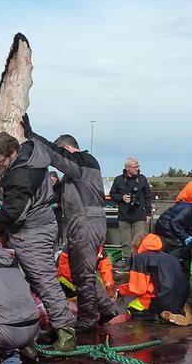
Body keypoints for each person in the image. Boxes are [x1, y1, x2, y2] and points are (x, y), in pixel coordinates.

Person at [21, 114, 125, 333]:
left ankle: (88, 318)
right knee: (83, 271)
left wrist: (32, 136)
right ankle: (106, 308)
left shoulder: (82, 162)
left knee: (83, 274)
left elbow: (55, 155)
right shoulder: (78, 173)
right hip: (87, 222)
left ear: (68, 149)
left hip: (86, 222)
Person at [0, 130, 78, 350]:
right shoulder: (33, 156)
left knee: (44, 280)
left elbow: (13, 215)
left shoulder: (20, 177)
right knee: (39, 280)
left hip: (33, 232)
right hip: (42, 224)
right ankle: (58, 324)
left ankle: (66, 332)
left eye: (0, 162)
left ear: (13, 152)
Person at [117, 233, 192, 325]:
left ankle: (159, 317)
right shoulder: (170, 257)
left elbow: (138, 289)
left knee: (132, 307)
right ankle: (179, 311)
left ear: (136, 246)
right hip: (180, 298)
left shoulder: (141, 258)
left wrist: (120, 291)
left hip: (162, 299)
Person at [109, 157, 152, 268]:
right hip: (124, 215)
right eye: (135, 167)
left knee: (138, 241)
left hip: (139, 215)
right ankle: (128, 263)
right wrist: (122, 198)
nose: (137, 169)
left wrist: (148, 213)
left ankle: (137, 264)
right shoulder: (119, 179)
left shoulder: (142, 179)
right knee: (125, 241)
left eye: (138, 166)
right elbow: (112, 194)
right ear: (127, 168)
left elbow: (148, 196)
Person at [154, 199, 192, 264]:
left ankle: (172, 261)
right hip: (164, 226)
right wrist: (185, 236)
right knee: (177, 244)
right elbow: (175, 222)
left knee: (186, 243)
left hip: (169, 225)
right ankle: (167, 262)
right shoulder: (187, 210)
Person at [50, 171, 64, 246]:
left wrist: (57, 204)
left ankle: (59, 245)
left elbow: (63, 201)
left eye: (52, 180)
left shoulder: (60, 187)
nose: (51, 182)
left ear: (56, 179)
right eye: (50, 181)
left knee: (58, 232)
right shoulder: (47, 187)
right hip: (48, 214)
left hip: (58, 214)